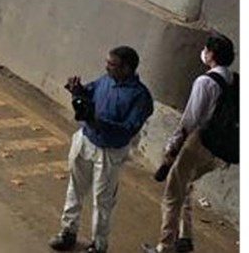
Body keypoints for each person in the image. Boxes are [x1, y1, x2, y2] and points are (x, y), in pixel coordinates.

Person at [49, 47, 154, 253]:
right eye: (107, 62)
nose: (106, 67)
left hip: (109, 152)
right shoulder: (106, 80)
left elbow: (128, 129)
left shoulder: (140, 97)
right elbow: (90, 91)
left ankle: (99, 245)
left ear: (127, 68)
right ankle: (68, 232)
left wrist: (98, 122)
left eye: (112, 64)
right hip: (86, 140)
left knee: (103, 200)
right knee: (75, 188)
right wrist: (77, 91)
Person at [142, 33, 238, 253]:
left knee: (172, 193)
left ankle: (165, 246)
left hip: (200, 142)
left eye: (206, 49)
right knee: (185, 184)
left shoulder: (206, 82)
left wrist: (172, 148)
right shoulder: (235, 80)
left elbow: (190, 120)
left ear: (211, 54)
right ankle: (185, 238)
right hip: (221, 149)